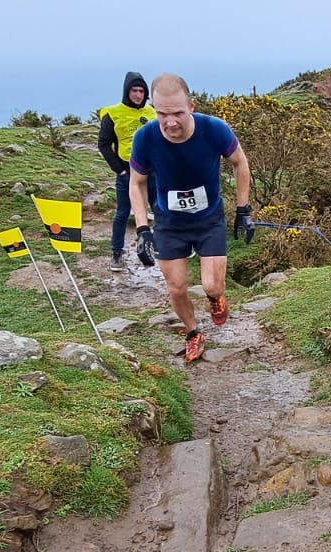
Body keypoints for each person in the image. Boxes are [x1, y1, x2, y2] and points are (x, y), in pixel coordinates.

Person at [129, 73, 254, 363]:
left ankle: (215, 299)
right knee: (177, 287)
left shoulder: (214, 130)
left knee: (212, 285)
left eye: (177, 113)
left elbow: (240, 162)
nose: (170, 122)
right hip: (169, 223)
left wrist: (243, 210)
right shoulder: (145, 138)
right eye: (162, 114)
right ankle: (193, 331)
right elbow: (137, 182)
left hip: (209, 219)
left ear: (192, 106)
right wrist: (142, 229)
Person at [97, 71, 157, 271]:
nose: (138, 95)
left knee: (159, 208)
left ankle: (166, 247)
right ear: (127, 91)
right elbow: (104, 144)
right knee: (122, 213)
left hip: (152, 170)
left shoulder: (152, 113)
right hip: (127, 171)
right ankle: (116, 253)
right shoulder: (112, 114)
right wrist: (119, 170)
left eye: (142, 91)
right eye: (134, 90)